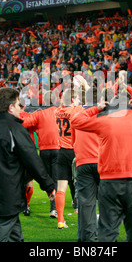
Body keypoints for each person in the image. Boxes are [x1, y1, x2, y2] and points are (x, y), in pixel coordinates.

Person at [71, 92, 132, 242]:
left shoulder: (105, 120)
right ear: (130, 105)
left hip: (109, 181)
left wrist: (97, 109)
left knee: (108, 230)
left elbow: (76, 121)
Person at [0, 87, 56, 242]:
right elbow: (32, 160)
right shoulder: (15, 129)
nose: (19, 108)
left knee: (14, 233)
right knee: (1, 228)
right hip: (8, 192)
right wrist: (48, 185)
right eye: (17, 104)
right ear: (10, 107)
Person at [22, 91, 60, 218]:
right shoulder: (60, 110)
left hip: (44, 150)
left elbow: (24, 123)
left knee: (48, 179)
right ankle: (56, 208)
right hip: (59, 148)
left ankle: (53, 206)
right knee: (59, 179)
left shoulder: (38, 114)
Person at [71, 86, 100, 242]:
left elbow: (73, 141)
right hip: (103, 163)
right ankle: (107, 236)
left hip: (83, 162)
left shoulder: (78, 116)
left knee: (85, 204)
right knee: (109, 202)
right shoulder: (105, 115)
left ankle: (86, 238)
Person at [54, 88, 83, 229]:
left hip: (61, 152)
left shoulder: (57, 112)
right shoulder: (76, 110)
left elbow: (61, 106)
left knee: (61, 188)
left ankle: (60, 220)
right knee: (83, 186)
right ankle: (84, 215)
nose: (79, 101)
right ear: (72, 100)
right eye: (77, 98)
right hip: (75, 152)